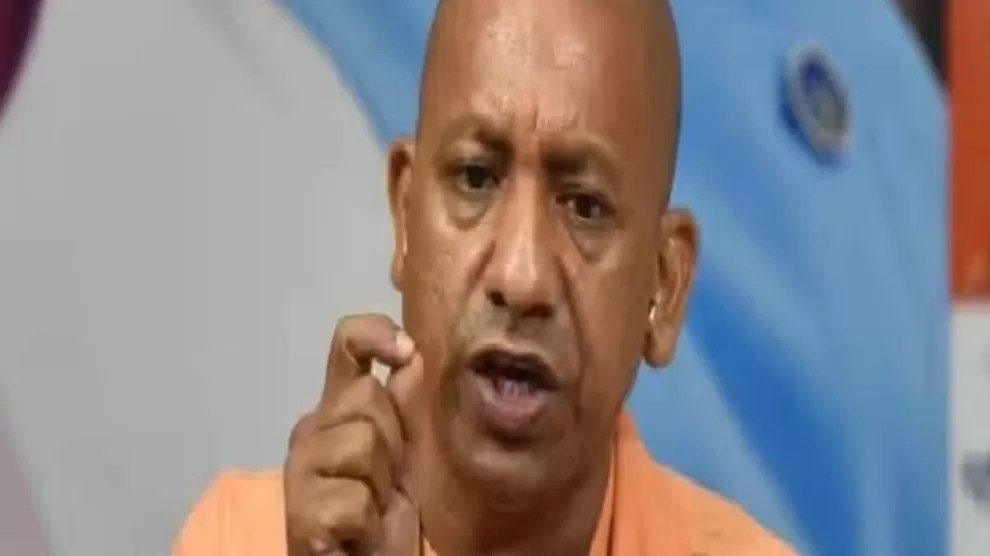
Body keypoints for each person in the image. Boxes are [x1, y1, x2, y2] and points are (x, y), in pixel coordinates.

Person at [172, 0, 795, 554]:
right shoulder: (248, 541)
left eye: (585, 207)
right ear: (407, 217)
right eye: (475, 178)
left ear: (664, 286)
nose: (520, 278)